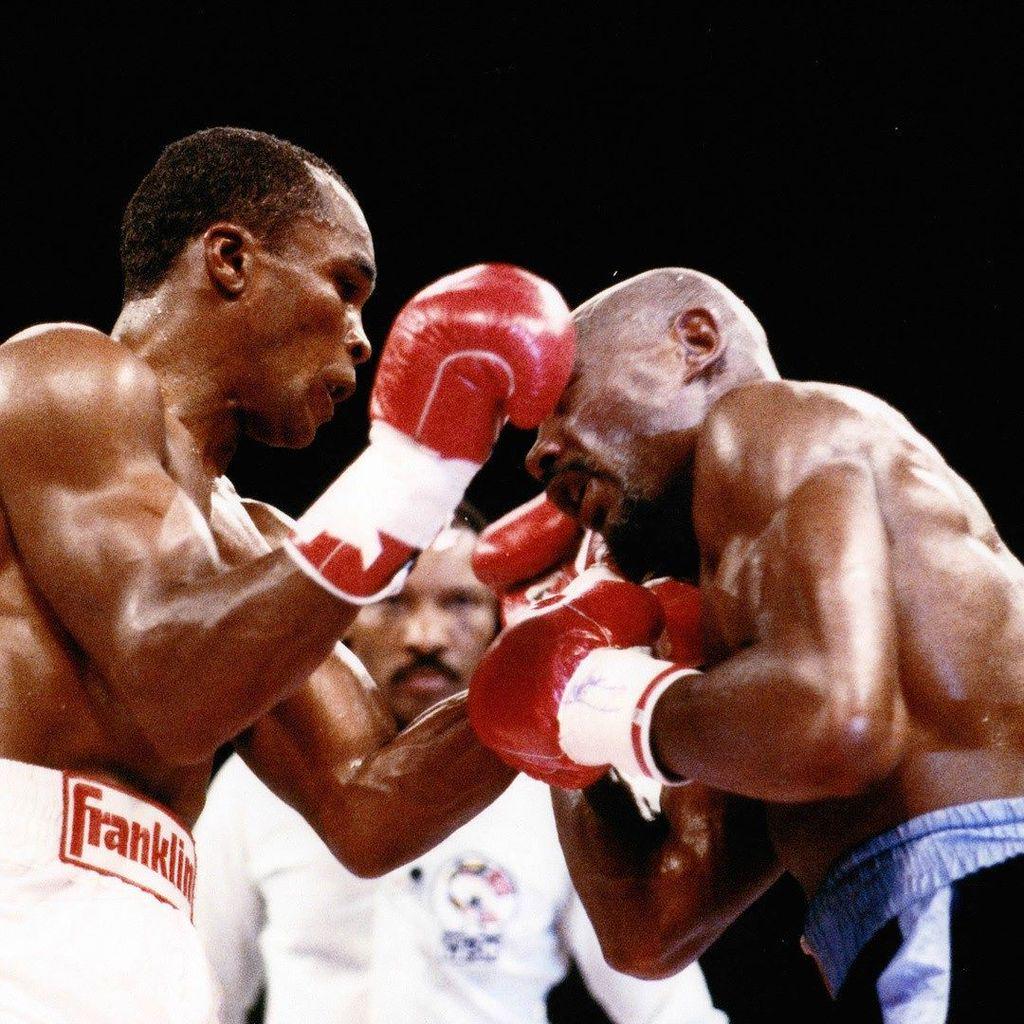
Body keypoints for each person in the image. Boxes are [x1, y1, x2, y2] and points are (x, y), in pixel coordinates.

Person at [0, 126, 574, 1023]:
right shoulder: (62, 376)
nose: (362, 341)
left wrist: (565, 646)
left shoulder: (264, 546)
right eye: (345, 287)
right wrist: (416, 473)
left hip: (151, 950)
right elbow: (172, 680)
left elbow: (369, 809)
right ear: (230, 258)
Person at [468, 267, 1024, 1022]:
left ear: (694, 342)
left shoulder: (767, 421)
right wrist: (563, 715)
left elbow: (838, 725)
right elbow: (651, 927)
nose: (537, 456)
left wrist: (600, 697)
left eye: (563, 397)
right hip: (916, 920)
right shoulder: (748, 633)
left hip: (969, 890)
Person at [194, 512, 726, 1024]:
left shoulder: (562, 790)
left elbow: (669, 1011)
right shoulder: (259, 785)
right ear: (344, 622)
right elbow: (199, 993)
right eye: (393, 602)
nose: (425, 636)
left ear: (505, 619)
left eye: (460, 603)